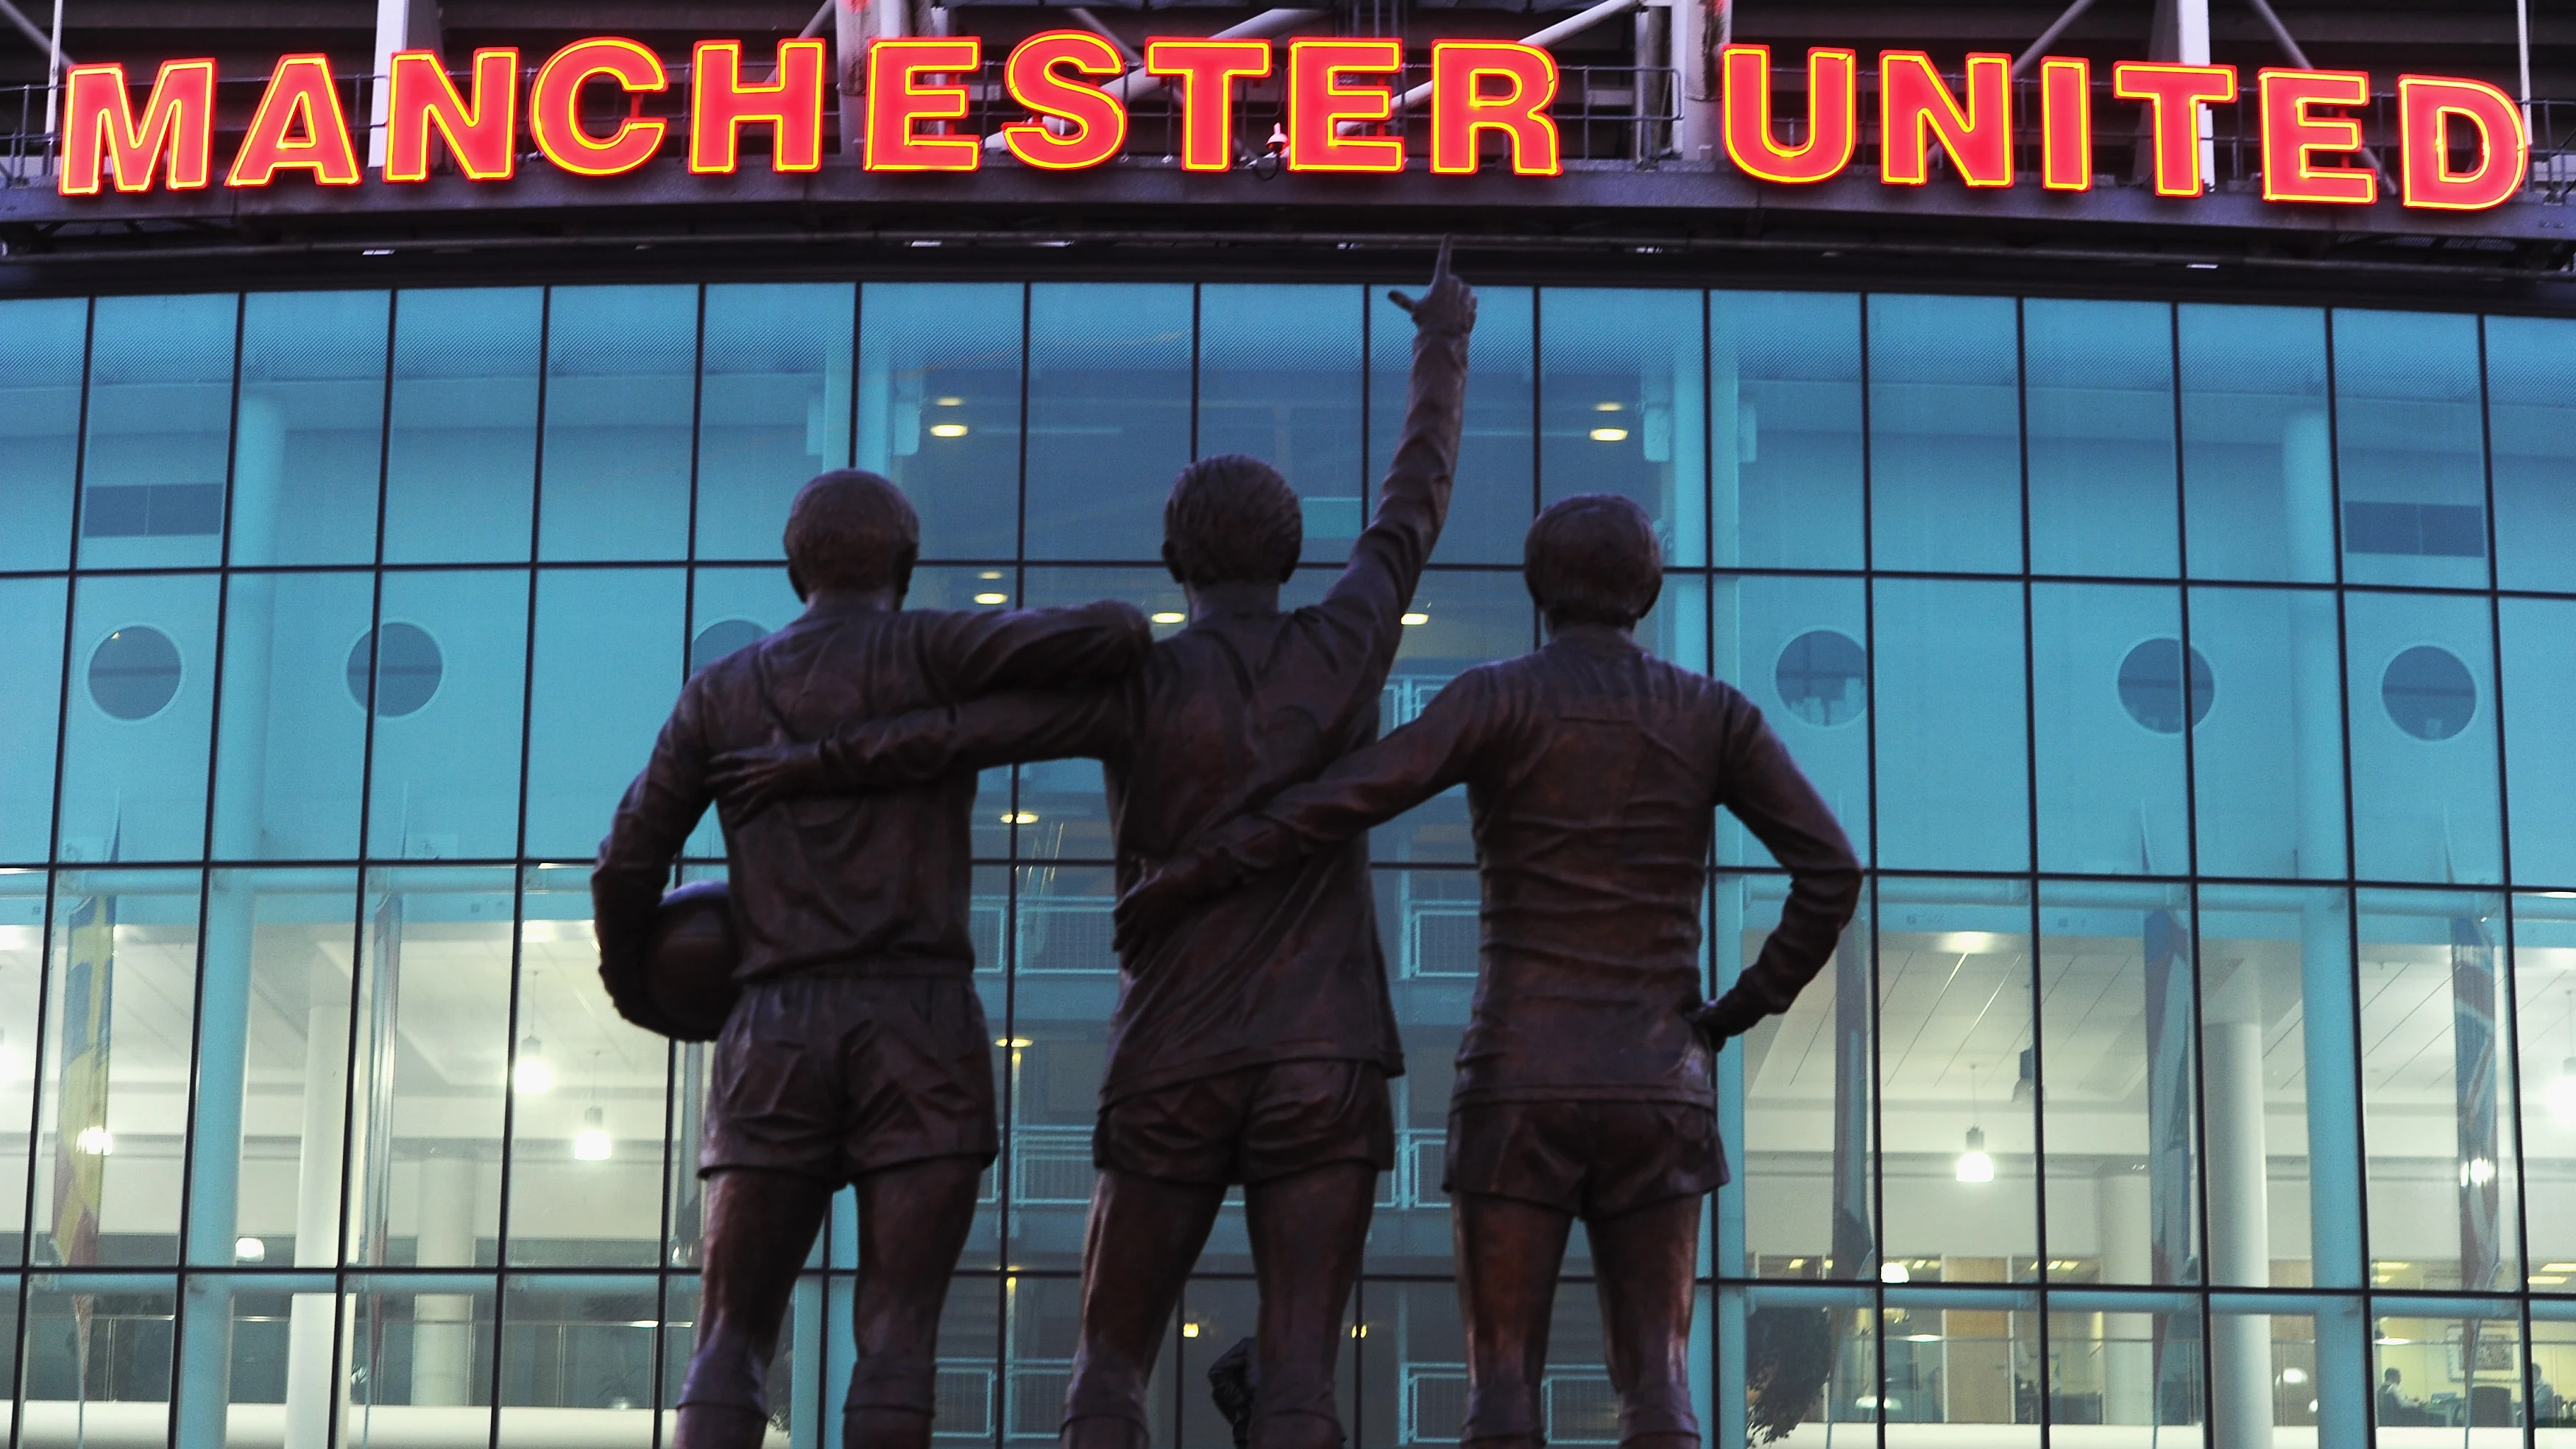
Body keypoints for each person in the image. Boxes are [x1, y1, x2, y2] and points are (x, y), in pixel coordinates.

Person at [710, 243, 1477, 1449]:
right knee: (1298, 1380)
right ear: (1287, 552)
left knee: (1106, 1378)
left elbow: (956, 737)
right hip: (1323, 1055)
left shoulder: (1138, 687)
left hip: (1171, 1048)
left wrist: (808, 761)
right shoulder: (1345, 646)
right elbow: (1413, 501)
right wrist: (1443, 342)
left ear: (1176, 561)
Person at [1114, 493, 1862, 1449]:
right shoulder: (1712, 713)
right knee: (1659, 1387)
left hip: (1518, 1076)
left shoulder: (1495, 697)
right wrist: (1736, 1010)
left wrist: (1191, 874)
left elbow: (1340, 802)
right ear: (1650, 589)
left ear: (1536, 590)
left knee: (1500, 1387)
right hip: (1657, 1078)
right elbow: (1831, 869)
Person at [590, 470, 1150, 1449]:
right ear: (905, 561)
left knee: (729, 1339)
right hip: (919, 1020)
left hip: (774, 1023)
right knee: (899, 1339)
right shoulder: (932, 646)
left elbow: (626, 859)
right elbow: (1118, 633)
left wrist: (641, 992)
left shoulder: (723, 692)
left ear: (792, 565)